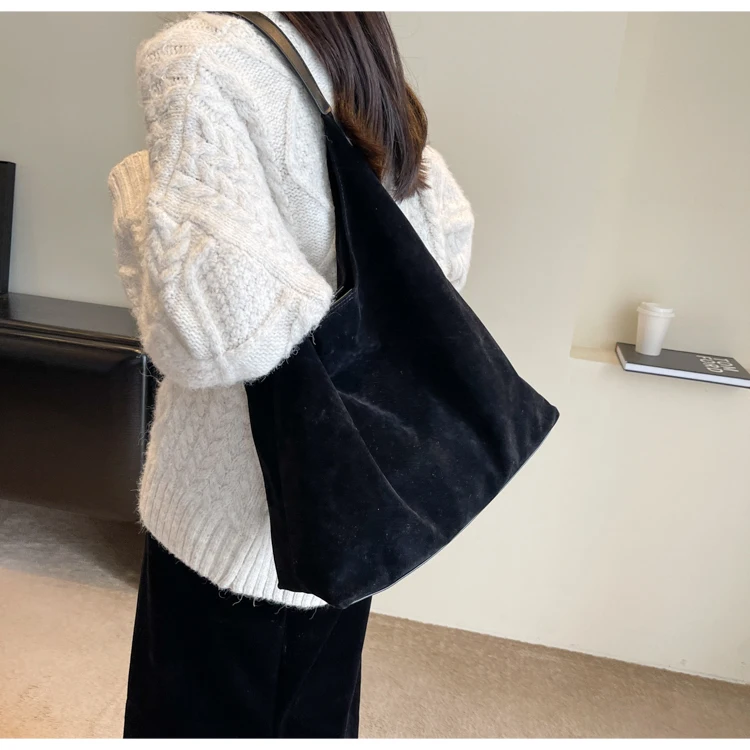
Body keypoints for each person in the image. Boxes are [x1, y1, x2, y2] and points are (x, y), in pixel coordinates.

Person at [108, 10, 474, 739]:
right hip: (350, 509)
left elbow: (214, 335)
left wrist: (138, 191)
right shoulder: (357, 58)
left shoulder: (196, 53)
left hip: (227, 525)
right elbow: (446, 250)